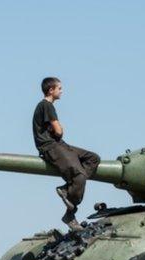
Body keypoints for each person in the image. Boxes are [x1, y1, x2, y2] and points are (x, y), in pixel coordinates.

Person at [32, 77, 100, 231]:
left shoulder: (46, 106)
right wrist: (61, 129)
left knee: (93, 158)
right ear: (51, 90)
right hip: (49, 146)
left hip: (58, 145)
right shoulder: (46, 106)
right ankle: (70, 212)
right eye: (59, 88)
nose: (61, 91)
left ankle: (67, 190)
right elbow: (58, 131)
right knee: (80, 175)